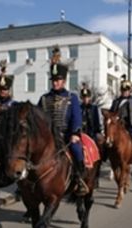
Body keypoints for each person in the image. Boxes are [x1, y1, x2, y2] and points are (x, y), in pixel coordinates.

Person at [37, 49, 88, 196]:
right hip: (48, 137)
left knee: (77, 149)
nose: (55, 83)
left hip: (66, 136)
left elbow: (76, 118)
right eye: (53, 80)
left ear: (64, 81)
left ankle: (79, 179)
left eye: (58, 80)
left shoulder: (72, 98)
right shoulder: (44, 99)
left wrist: (75, 133)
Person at [110, 75, 132, 156]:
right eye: (123, 90)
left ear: (129, 91)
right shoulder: (116, 102)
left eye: (126, 90)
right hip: (117, 125)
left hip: (130, 125)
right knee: (108, 138)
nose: (124, 92)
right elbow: (111, 112)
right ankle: (105, 154)